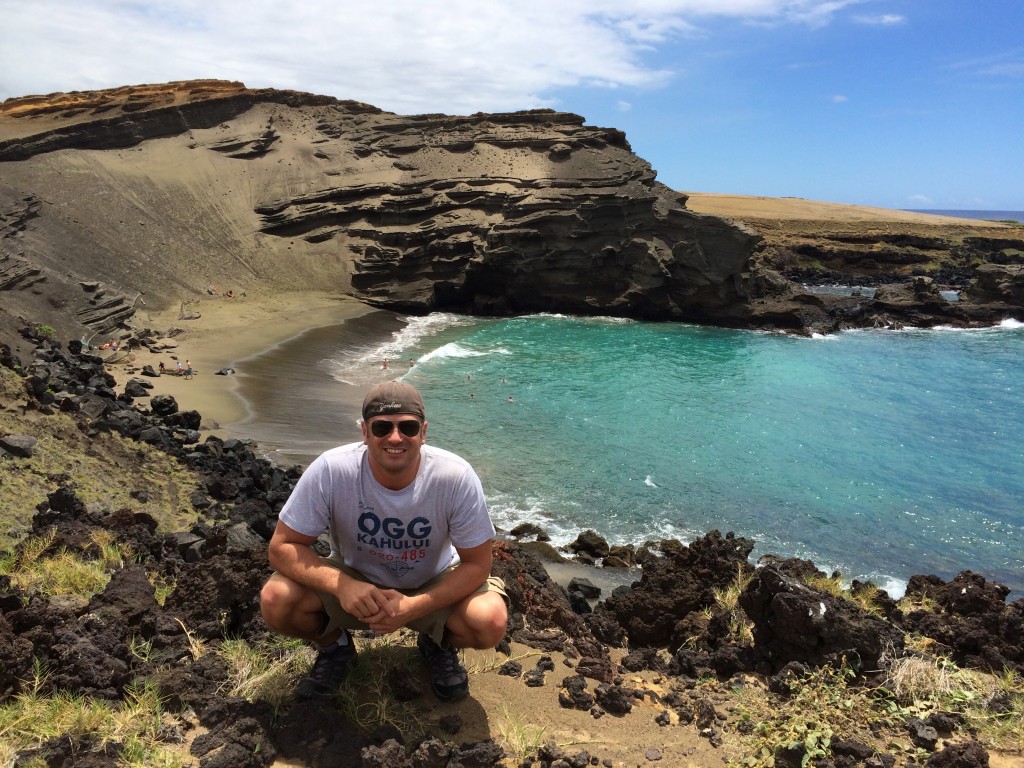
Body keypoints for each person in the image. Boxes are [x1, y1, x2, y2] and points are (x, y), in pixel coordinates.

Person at [260, 381, 508, 702]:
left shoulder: (455, 476)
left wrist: (413, 607)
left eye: (407, 427)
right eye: (381, 428)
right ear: (364, 432)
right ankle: (335, 646)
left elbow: (478, 564)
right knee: (276, 599)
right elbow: (281, 547)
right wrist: (343, 586)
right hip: (356, 580)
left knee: (490, 619)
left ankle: (438, 643)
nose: (395, 438)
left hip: (432, 581)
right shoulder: (332, 470)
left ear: (423, 432)